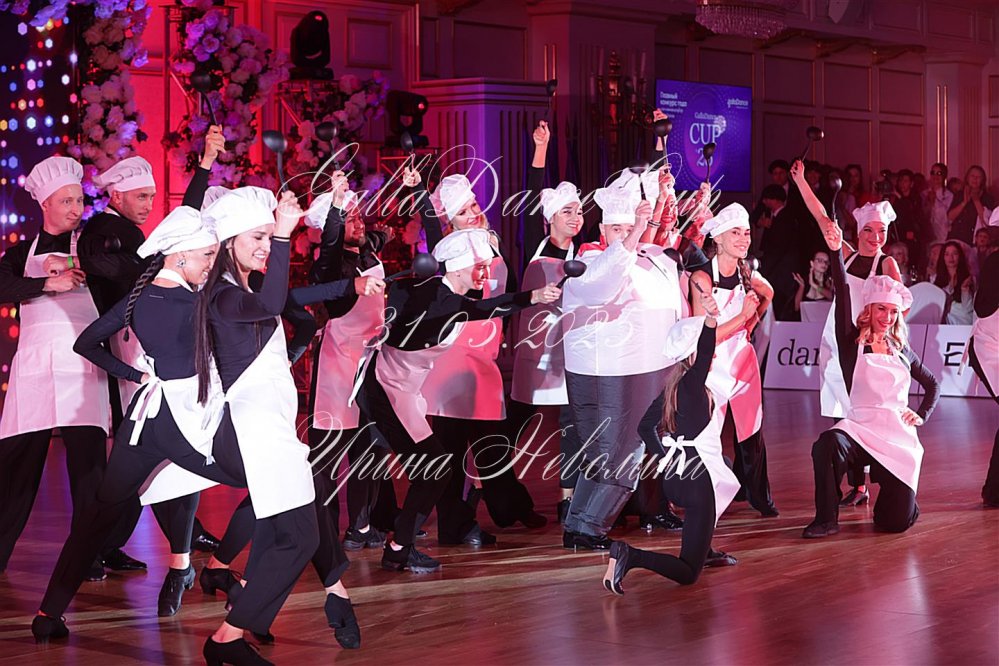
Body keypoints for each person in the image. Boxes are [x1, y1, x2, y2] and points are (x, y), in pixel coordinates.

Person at [31, 207, 238, 642]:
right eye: (207, 255)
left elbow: (85, 343)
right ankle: (234, 586)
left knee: (95, 519)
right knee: (272, 484)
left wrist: (136, 376)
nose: (211, 263)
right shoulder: (200, 301)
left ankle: (48, 613)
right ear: (180, 256)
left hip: (143, 421)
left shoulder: (139, 298)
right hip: (183, 424)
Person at [195, 187, 361, 662]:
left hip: (271, 424)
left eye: (270, 237)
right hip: (251, 428)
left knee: (303, 511)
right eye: (259, 237)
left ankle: (296, 602)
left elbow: (285, 299)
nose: (267, 245)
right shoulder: (223, 295)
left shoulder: (244, 289)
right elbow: (273, 305)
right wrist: (287, 235)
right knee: (299, 534)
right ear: (229, 241)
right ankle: (227, 637)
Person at [355, 227, 561, 571]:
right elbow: (483, 308)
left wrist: (534, 296)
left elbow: (484, 307)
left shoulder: (443, 295)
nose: (485, 273)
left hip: (403, 392)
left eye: (486, 266)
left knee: (435, 470)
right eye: (479, 267)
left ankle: (398, 546)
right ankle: (393, 544)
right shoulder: (440, 299)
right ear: (458, 268)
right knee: (434, 468)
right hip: (385, 390)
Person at [0, 156, 139, 579]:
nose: (76, 209)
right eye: (66, 201)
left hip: (83, 370)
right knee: (16, 470)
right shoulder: (20, 253)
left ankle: (88, 557)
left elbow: (127, 269)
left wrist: (81, 267)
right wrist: (47, 283)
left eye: (79, 200)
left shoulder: (92, 247)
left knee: (89, 473)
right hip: (34, 372)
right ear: (45, 204)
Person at [408, 167, 546, 545]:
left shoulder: (491, 244)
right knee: (452, 451)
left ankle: (507, 507)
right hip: (452, 362)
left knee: (491, 444)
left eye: (473, 206)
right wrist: (418, 191)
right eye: (463, 211)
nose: (474, 213)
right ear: (449, 221)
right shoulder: (449, 252)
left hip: (484, 362)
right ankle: (454, 525)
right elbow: (432, 226)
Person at [560, 168, 686, 548]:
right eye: (618, 229)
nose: (626, 235)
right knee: (617, 455)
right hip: (606, 374)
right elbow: (603, 281)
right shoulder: (590, 258)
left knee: (619, 453)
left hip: (643, 374)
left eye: (630, 228)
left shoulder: (651, 257)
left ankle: (580, 526)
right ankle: (586, 527)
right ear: (603, 230)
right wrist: (634, 236)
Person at [804, 222, 940, 538]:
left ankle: (903, 501)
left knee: (894, 524)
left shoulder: (901, 348)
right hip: (859, 430)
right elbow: (842, 287)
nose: (887, 318)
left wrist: (921, 414)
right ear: (868, 308)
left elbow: (933, 384)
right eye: (881, 309)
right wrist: (836, 252)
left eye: (893, 312)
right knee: (826, 445)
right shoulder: (851, 340)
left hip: (896, 437)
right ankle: (826, 519)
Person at [602, 306, 741, 594]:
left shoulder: (672, 388)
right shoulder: (693, 382)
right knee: (688, 573)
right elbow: (706, 350)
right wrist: (710, 320)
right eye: (708, 350)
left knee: (724, 468)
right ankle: (631, 556)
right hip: (697, 480)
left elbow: (645, 427)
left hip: (675, 478)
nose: (714, 355)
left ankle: (704, 549)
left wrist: (666, 457)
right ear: (693, 353)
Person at [305, 174, 392, 552]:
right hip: (338, 364)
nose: (358, 222)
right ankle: (319, 531)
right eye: (348, 217)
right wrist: (336, 207)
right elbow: (329, 246)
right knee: (329, 450)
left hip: (373, 362)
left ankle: (360, 526)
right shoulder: (328, 265)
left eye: (358, 214)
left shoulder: (367, 252)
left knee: (371, 447)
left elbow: (378, 236)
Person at [508, 120, 585, 524]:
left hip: (570, 354)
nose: (575, 217)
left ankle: (567, 498)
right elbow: (530, 195)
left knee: (572, 426)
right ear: (549, 217)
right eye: (567, 211)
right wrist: (541, 148)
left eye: (579, 211)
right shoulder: (531, 247)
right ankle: (484, 492)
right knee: (512, 427)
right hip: (533, 355)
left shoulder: (586, 253)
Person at [689, 204, 778, 517]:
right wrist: (743, 318)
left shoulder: (747, 273)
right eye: (735, 233)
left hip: (742, 360)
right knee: (708, 432)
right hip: (711, 364)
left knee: (751, 429)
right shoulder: (701, 278)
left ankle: (757, 495)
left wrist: (750, 323)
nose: (743, 239)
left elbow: (769, 293)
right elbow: (703, 336)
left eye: (747, 233)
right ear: (718, 238)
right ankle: (704, 497)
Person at [971, 210, 999, 506]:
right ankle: (994, 491)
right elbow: (983, 307)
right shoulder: (995, 262)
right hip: (989, 349)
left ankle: (994, 490)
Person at [947, 165, 995, 245]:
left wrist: (976, 200)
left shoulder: (987, 198)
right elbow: (950, 217)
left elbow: (986, 221)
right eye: (972, 176)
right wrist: (964, 203)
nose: (975, 179)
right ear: (967, 178)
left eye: (978, 177)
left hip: (975, 241)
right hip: (956, 237)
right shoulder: (959, 195)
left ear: (982, 180)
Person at [932, 240, 975, 325]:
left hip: (963, 321)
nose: (950, 258)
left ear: (960, 256)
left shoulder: (969, 278)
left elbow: (969, 308)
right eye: (947, 254)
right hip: (942, 322)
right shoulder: (935, 278)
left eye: (954, 254)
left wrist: (964, 290)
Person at [792, 249, 833, 317]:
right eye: (820, 260)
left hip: (824, 319)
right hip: (806, 320)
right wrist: (802, 286)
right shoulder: (803, 280)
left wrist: (814, 285)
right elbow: (797, 307)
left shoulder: (830, 281)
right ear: (812, 263)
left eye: (826, 262)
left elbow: (831, 297)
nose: (824, 264)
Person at [923, 162, 953, 246]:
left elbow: (948, 217)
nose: (935, 176)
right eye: (933, 173)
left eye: (939, 173)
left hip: (943, 235)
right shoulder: (923, 194)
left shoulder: (949, 195)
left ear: (944, 176)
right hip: (927, 235)